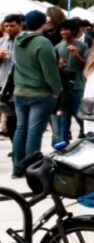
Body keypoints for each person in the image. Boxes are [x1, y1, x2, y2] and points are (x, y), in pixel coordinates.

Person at [11, 11, 62, 178]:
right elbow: (50, 71)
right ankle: (32, 167)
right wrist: (56, 90)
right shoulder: (42, 42)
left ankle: (18, 167)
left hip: (20, 90)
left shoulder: (18, 40)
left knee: (21, 129)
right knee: (34, 130)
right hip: (39, 92)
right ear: (43, 23)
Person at [53, 19, 88, 143]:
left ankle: (89, 135)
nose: (63, 32)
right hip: (62, 86)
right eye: (62, 30)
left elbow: (86, 65)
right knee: (63, 117)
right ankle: (64, 143)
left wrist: (76, 55)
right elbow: (53, 67)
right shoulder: (57, 47)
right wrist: (58, 66)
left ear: (73, 31)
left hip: (78, 85)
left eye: (66, 29)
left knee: (80, 114)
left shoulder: (82, 46)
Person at [0, 14, 21, 139]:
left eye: (12, 26)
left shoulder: (23, 41)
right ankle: (16, 147)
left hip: (19, 84)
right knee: (10, 116)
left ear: (20, 25)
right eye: (6, 26)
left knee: (18, 118)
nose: (9, 28)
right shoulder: (2, 41)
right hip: (4, 84)